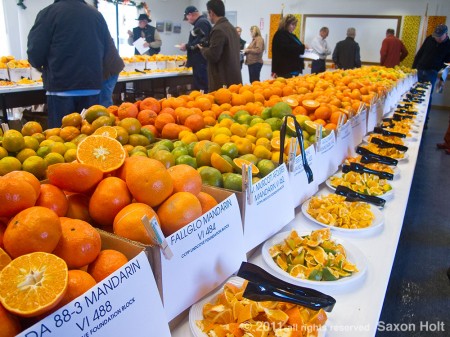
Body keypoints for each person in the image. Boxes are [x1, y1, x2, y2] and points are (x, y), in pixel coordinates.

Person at [27, 0, 111, 128]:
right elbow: (106, 49)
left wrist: (38, 65)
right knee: (90, 135)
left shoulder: (49, 13)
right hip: (91, 85)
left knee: (61, 138)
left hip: (61, 85)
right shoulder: (96, 15)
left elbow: (36, 49)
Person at [198, 0, 242, 92]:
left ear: (211, 12)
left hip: (222, 82)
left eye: (208, 12)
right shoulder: (231, 28)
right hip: (234, 79)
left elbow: (213, 55)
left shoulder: (218, 30)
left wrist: (203, 49)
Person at [412, 24, 450, 126]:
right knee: (413, 93)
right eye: (435, 36)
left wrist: (442, 80)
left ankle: (424, 121)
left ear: (445, 34)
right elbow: (419, 54)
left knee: (426, 97)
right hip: (419, 70)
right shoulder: (429, 39)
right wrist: (413, 69)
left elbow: (447, 66)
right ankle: (412, 116)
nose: (436, 38)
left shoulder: (448, 45)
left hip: (432, 73)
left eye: (439, 36)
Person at [179, 6, 211, 92]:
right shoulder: (202, 22)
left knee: (202, 88)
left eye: (187, 18)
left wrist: (186, 46)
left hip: (201, 61)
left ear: (190, 15)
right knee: (201, 86)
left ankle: (203, 103)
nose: (188, 21)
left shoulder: (201, 23)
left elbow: (200, 42)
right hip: (200, 61)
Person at [271, 14, 305, 78]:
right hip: (285, 70)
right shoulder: (280, 34)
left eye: (295, 25)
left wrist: (303, 48)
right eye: (292, 24)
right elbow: (286, 49)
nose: (294, 27)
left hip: (293, 69)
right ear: (286, 24)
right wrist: (303, 47)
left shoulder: (291, 35)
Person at [100, 38, 125, 107]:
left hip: (109, 68)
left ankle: (106, 115)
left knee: (104, 100)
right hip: (110, 66)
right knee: (103, 98)